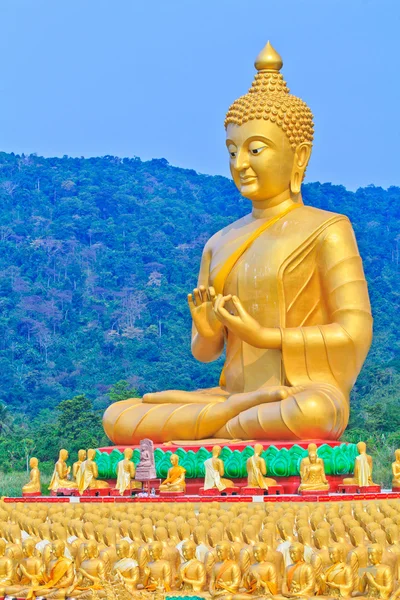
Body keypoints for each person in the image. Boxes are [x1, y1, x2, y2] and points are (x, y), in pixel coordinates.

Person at [103, 41, 372, 445]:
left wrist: (267, 337)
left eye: (255, 149)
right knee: (118, 415)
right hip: (236, 396)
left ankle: (207, 428)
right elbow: (206, 353)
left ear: (298, 158)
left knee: (315, 414)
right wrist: (208, 329)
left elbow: (355, 332)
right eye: (231, 151)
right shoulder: (219, 241)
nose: (240, 164)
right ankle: (229, 415)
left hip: (296, 394)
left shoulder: (328, 228)